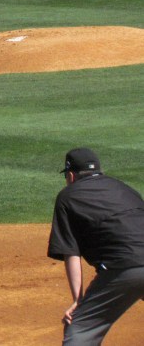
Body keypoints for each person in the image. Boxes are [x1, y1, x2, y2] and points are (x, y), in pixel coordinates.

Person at [47, 148, 144, 345]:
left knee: (80, 328)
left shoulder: (67, 197)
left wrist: (78, 300)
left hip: (125, 266)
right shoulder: (124, 188)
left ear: (71, 175)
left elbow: (70, 252)